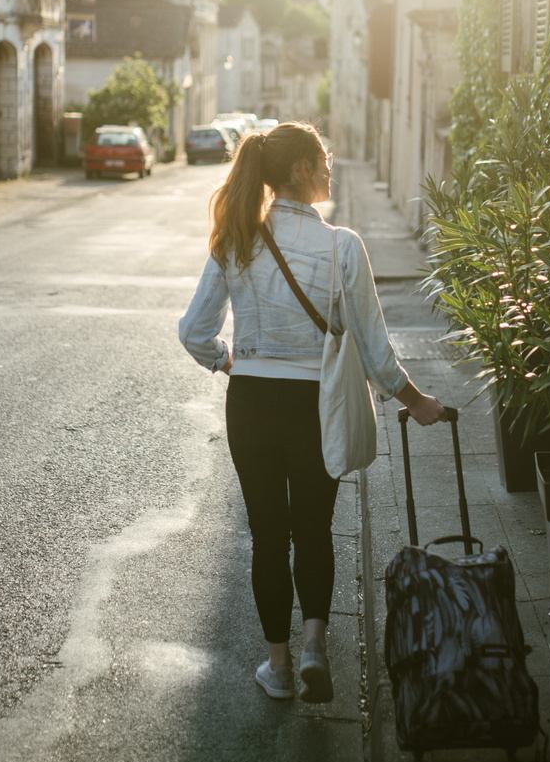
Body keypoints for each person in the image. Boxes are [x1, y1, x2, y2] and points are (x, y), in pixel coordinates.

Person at [178, 122, 446, 703]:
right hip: (313, 405)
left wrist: (229, 360)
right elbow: (374, 348)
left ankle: (277, 669)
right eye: (323, 159)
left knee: (268, 537)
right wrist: (417, 401)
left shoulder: (236, 238)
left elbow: (194, 331)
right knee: (314, 529)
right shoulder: (342, 246)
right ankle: (314, 648)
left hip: (250, 403)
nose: (330, 167)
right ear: (301, 169)